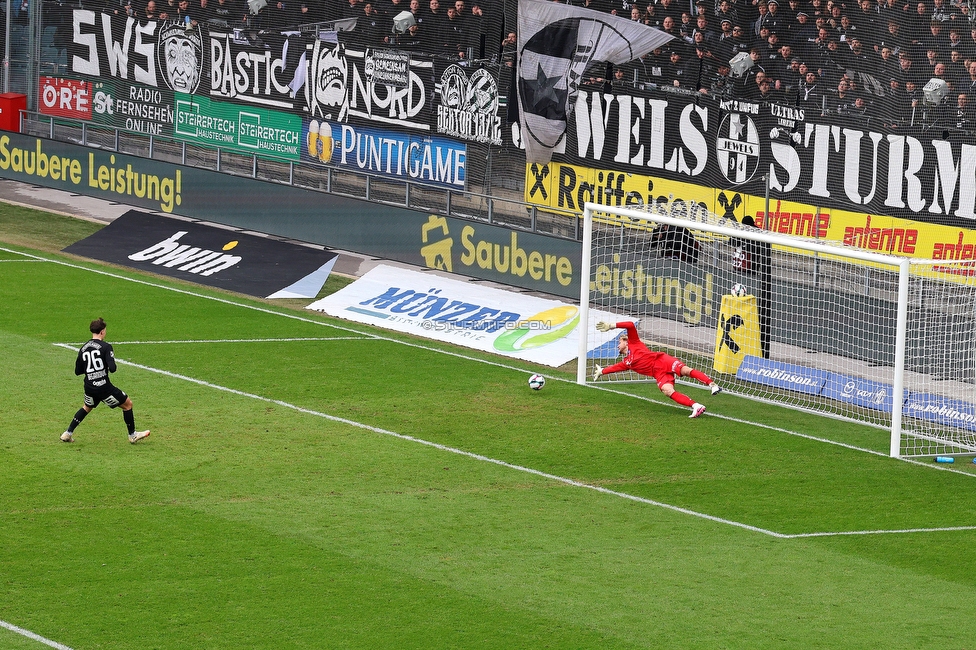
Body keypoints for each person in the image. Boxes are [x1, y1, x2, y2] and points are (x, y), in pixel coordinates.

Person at [592, 320, 722, 418]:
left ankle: (712, 385)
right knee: (667, 391)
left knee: (685, 371)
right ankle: (696, 406)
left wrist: (611, 325)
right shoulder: (627, 362)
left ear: (626, 342)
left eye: (619, 342)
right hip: (658, 373)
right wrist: (602, 371)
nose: (617, 346)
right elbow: (615, 368)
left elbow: (630, 325)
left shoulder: (634, 342)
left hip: (662, 361)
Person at [61, 318, 150, 444]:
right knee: (128, 404)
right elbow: (113, 368)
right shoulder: (106, 347)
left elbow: (77, 371)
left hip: (89, 386)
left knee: (87, 407)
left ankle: (68, 433)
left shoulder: (83, 348)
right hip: (103, 387)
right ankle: (132, 435)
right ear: (102, 331)